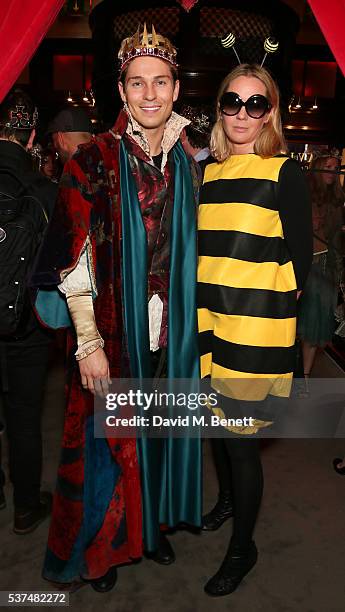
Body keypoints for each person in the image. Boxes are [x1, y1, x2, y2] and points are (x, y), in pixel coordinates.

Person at [31, 24, 201, 591]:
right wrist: (89, 343)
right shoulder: (94, 160)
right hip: (108, 328)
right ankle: (101, 546)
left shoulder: (189, 164)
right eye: (137, 83)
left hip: (168, 330)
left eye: (160, 83)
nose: (150, 94)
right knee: (106, 441)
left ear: (176, 90)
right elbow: (72, 258)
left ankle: (147, 528)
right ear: (122, 91)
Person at [197, 64, 312, 597]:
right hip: (210, 324)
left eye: (256, 104)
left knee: (240, 443)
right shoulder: (209, 172)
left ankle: (244, 547)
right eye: (232, 102)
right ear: (220, 108)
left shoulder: (284, 171)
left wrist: (274, 321)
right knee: (216, 428)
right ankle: (226, 503)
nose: (242, 113)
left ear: (271, 112)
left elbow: (301, 264)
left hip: (254, 330)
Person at [0, 88, 57, 532]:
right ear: (32, 134)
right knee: (24, 416)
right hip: (27, 328)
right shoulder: (46, 190)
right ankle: (25, 506)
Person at [298, 153, 344, 383]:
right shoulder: (305, 193)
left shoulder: (336, 199)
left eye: (336, 168)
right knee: (305, 323)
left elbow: (337, 236)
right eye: (327, 167)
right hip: (308, 265)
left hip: (328, 268)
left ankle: (304, 376)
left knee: (315, 327)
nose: (332, 172)